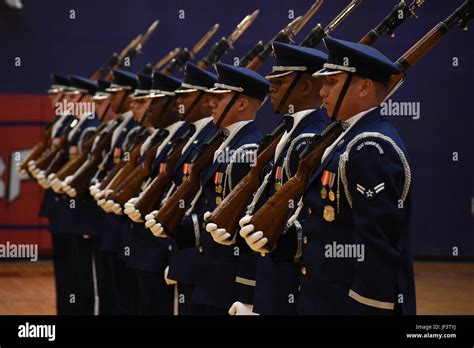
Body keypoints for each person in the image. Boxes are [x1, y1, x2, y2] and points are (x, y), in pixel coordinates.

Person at [240, 37, 416, 315]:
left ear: (364, 87)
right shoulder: (346, 138)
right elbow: (328, 223)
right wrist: (291, 240)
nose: (322, 93)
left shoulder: (371, 146)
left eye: (332, 82)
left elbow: (374, 249)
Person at [206, 42, 330, 315]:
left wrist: (248, 293)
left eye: (280, 81)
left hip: (290, 285)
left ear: (306, 87)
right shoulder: (288, 134)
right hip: (270, 280)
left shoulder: (309, 139)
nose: (270, 87)